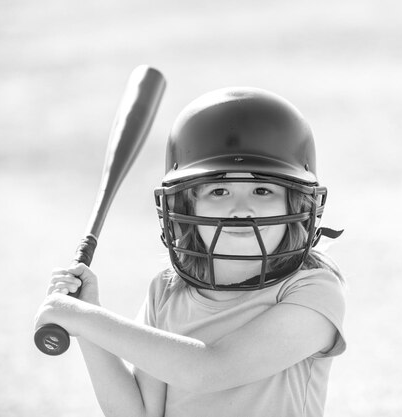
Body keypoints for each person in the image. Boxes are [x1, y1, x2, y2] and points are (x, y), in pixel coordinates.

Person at [35, 87, 347, 417]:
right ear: (186, 204)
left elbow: (210, 368)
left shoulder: (314, 290)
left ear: (297, 203)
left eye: (262, 189)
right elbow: (137, 414)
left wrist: (84, 318)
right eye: (219, 190)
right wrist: (86, 316)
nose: (241, 209)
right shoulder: (166, 292)